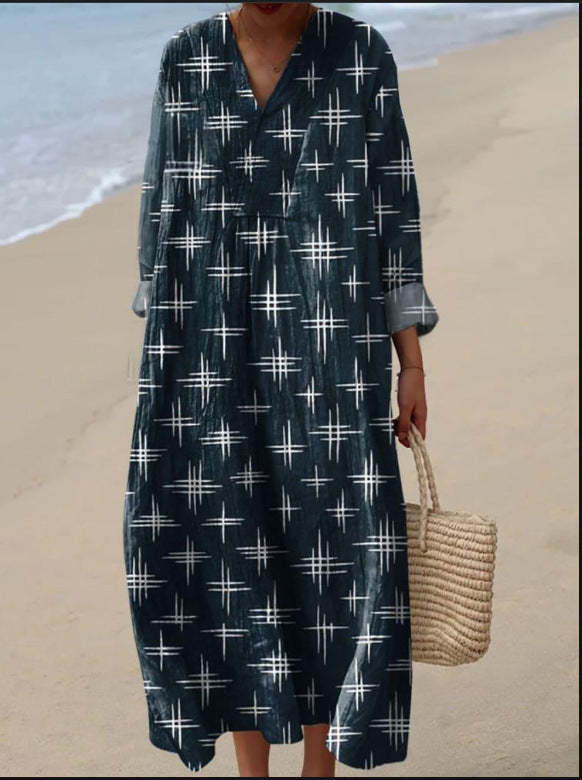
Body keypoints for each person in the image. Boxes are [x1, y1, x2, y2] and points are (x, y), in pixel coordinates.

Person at [124, 2, 439, 777]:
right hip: (208, 347)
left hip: (332, 355)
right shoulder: (187, 59)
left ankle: (320, 769)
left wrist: (412, 364)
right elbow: (160, 212)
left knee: (335, 549)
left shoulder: (359, 55)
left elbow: (393, 212)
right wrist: (165, 363)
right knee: (223, 544)